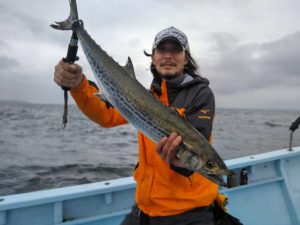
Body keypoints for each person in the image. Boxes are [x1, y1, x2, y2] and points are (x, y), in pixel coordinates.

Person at [54, 26, 217, 225]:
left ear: (186, 58)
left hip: (189, 214)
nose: (168, 56)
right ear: (153, 57)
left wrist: (185, 165)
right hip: (144, 210)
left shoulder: (200, 94)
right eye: (161, 50)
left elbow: (198, 140)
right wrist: (78, 84)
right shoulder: (146, 96)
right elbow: (107, 115)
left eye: (175, 50)